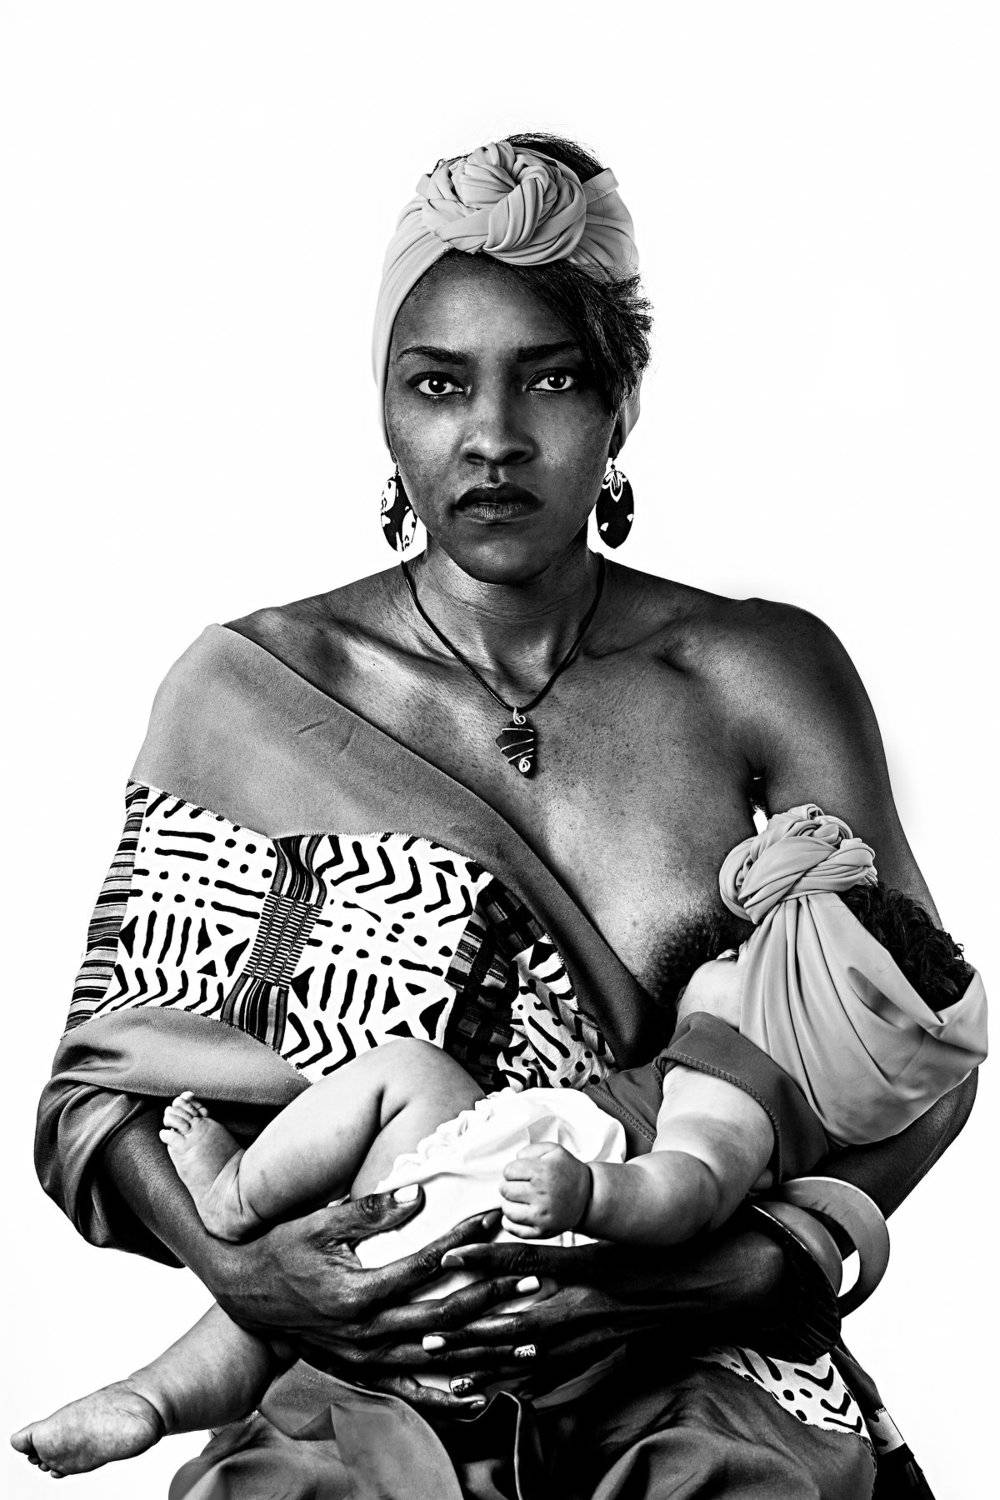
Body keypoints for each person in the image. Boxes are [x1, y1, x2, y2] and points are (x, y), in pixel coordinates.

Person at [25, 133, 979, 1499]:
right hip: (372, 1341)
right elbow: (99, 1095)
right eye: (437, 384)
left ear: (621, 402)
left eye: (552, 377)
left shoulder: (760, 674)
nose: (492, 436)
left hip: (701, 1362)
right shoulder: (252, 692)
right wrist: (256, 1277)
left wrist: (764, 1259)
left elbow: (923, 1043)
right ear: (383, 408)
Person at [12, 806, 986, 1480]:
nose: (714, 957)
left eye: (739, 955)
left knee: (399, 1091)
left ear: (787, 1014)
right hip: (520, 1198)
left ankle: (225, 1213)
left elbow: (688, 1184)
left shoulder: (731, 1089)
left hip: (540, 1215)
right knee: (313, 1286)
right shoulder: (765, 1095)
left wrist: (588, 1194)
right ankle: (149, 1398)